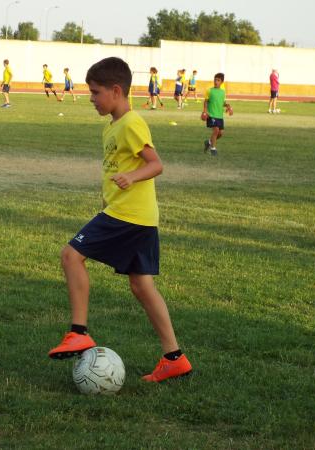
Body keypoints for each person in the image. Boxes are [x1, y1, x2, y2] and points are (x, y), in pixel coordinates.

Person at [48, 56, 192, 383]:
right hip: (134, 216)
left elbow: (156, 164)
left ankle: (78, 331)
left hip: (128, 216)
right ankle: (174, 358)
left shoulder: (132, 122)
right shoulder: (112, 125)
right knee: (141, 285)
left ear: (116, 90)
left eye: (96, 92)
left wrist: (133, 176)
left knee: (71, 256)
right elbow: (113, 170)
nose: (91, 99)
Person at [202, 72, 233, 156]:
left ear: (221, 82)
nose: (216, 82)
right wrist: (205, 111)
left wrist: (228, 106)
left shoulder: (223, 92)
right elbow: (206, 102)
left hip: (220, 115)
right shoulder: (210, 90)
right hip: (211, 114)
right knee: (215, 130)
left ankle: (208, 142)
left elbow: (223, 102)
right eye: (215, 80)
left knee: (220, 133)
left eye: (218, 80)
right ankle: (213, 149)